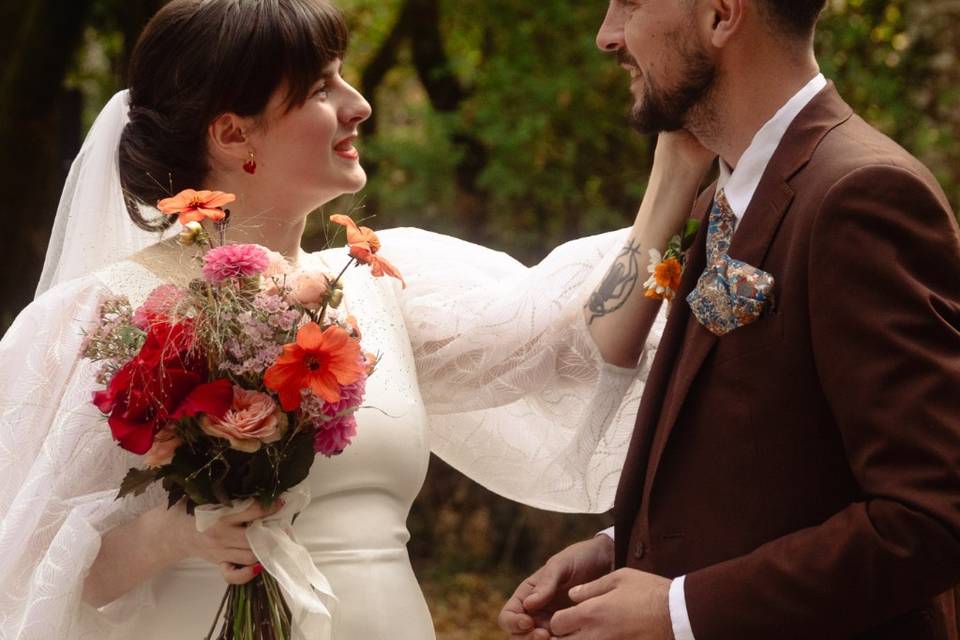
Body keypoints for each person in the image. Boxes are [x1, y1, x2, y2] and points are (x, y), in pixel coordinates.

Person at [0, 1, 713, 638]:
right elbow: (27, 571)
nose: (360, 104)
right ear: (232, 133)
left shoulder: (380, 288)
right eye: (320, 88)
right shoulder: (98, 318)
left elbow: (584, 346)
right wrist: (173, 533)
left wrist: (676, 170)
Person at [500, 0, 960, 638]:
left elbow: (930, 517)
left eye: (629, 3)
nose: (608, 37)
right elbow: (774, 463)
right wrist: (624, 546)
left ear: (721, 14)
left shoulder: (861, 194)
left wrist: (679, 610)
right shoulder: (729, 195)